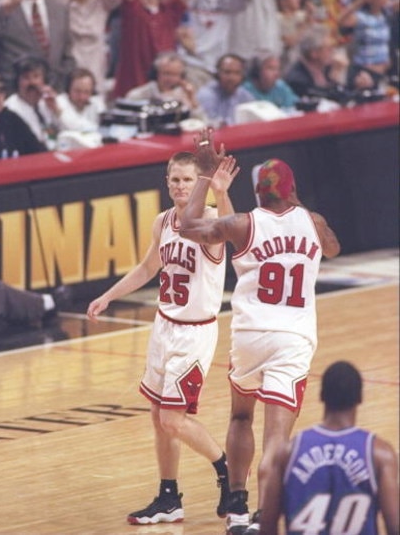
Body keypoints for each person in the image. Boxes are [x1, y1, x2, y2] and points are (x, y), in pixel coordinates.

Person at [179, 134, 340, 535]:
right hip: (293, 338)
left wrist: (204, 176)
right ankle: (267, 518)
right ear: (293, 190)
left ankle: (236, 506)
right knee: (276, 437)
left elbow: (187, 226)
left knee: (239, 415)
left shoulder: (241, 223)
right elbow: (333, 249)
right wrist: (300, 211)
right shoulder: (314, 222)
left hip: (250, 334)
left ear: (256, 191)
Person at [87, 139, 240, 525]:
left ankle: (227, 473)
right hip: (163, 327)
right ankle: (169, 498)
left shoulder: (206, 222)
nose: (180, 186)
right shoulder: (162, 222)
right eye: (174, 179)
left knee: (173, 420)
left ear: (198, 181)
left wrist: (220, 191)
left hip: (195, 333)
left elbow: (229, 229)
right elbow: (146, 268)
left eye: (188, 179)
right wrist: (107, 296)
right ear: (166, 181)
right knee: (159, 416)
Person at [258, 361, 400, 535]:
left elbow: (267, 526)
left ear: (321, 396)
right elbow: (395, 527)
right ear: (360, 398)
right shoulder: (379, 453)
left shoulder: (288, 452)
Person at [125, 50, 206, 121]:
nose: (170, 79)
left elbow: (202, 122)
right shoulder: (137, 95)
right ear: (156, 73)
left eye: (175, 75)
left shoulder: (185, 94)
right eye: (166, 73)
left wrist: (192, 99)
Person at [196, 53, 253, 126]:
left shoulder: (244, 95)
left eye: (237, 73)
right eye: (227, 72)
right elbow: (209, 125)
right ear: (217, 74)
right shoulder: (206, 95)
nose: (232, 78)